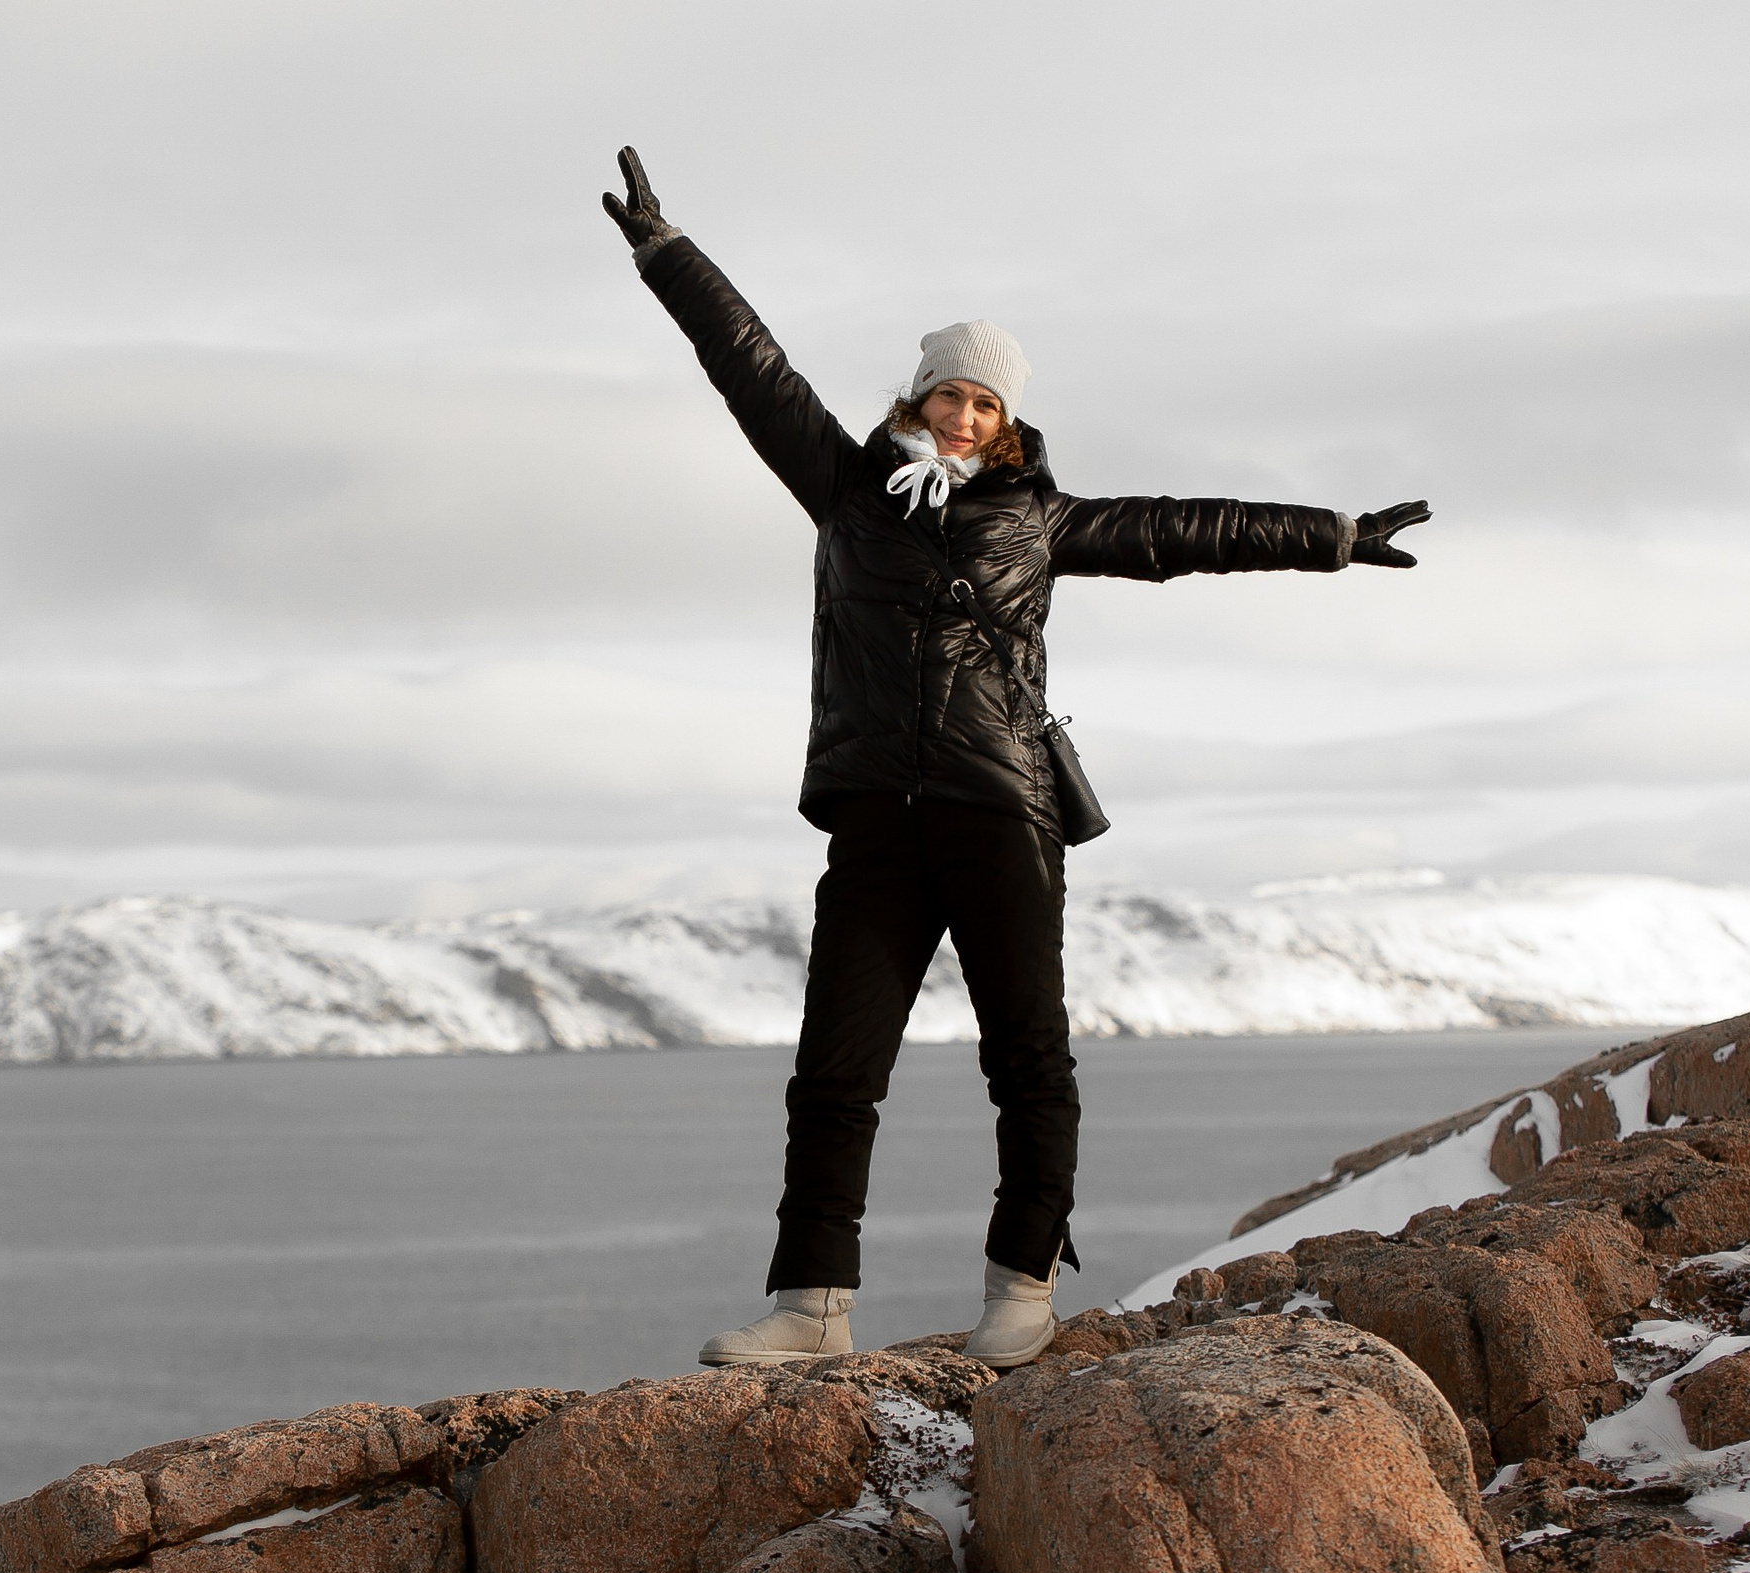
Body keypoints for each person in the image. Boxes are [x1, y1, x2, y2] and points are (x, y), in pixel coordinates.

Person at [600, 148, 1427, 1369]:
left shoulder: (1035, 519)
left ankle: (1022, 1288)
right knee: (834, 1072)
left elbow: (1178, 533)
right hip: (878, 812)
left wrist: (1333, 538)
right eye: (950, 395)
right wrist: (670, 256)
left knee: (1028, 1062)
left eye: (987, 403)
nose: (966, 415)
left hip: (1000, 811)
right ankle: (810, 1306)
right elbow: (751, 368)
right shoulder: (843, 489)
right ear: (917, 399)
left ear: (1008, 420)